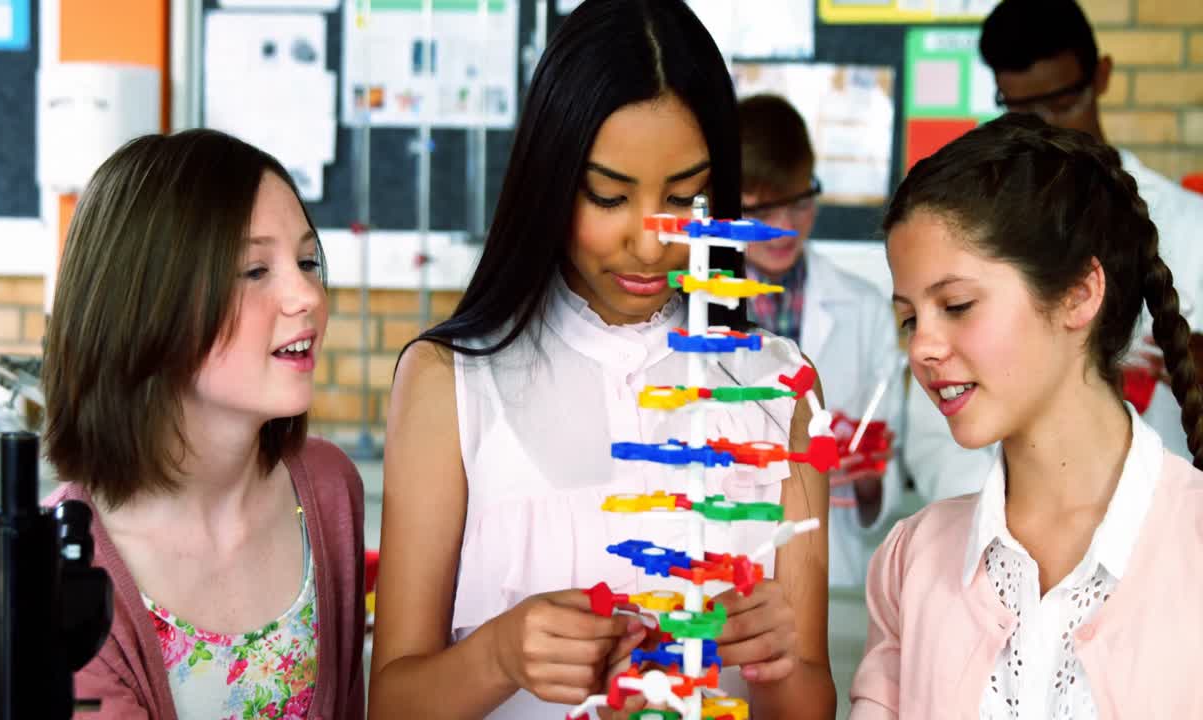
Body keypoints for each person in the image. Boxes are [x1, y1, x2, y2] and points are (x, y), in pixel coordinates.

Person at [370, 1, 835, 718]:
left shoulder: (779, 390)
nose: (650, 242)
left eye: (685, 197)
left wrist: (775, 664)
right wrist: (498, 653)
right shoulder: (452, 381)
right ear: (549, 181)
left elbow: (809, 703)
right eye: (609, 196)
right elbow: (390, 705)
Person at [850, 112, 1203, 717]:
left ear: (1078, 294)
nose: (922, 347)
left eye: (956, 305)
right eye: (910, 318)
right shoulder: (911, 562)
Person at [41, 129, 367, 720]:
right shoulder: (56, 564)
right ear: (145, 304)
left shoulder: (328, 489)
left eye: (307, 261)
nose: (307, 296)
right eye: (254, 270)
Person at [904, 0, 1203, 502]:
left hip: (1167, 530)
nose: (1048, 128)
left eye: (1064, 103)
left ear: (1101, 77)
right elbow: (937, 438)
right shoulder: (975, 230)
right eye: (1023, 110)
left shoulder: (1191, 227)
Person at [739, 93, 907, 586]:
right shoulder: (688, 307)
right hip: (728, 579)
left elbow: (887, 471)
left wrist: (871, 479)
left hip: (834, 578)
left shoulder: (865, 310)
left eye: (800, 201)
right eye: (766, 207)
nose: (787, 227)